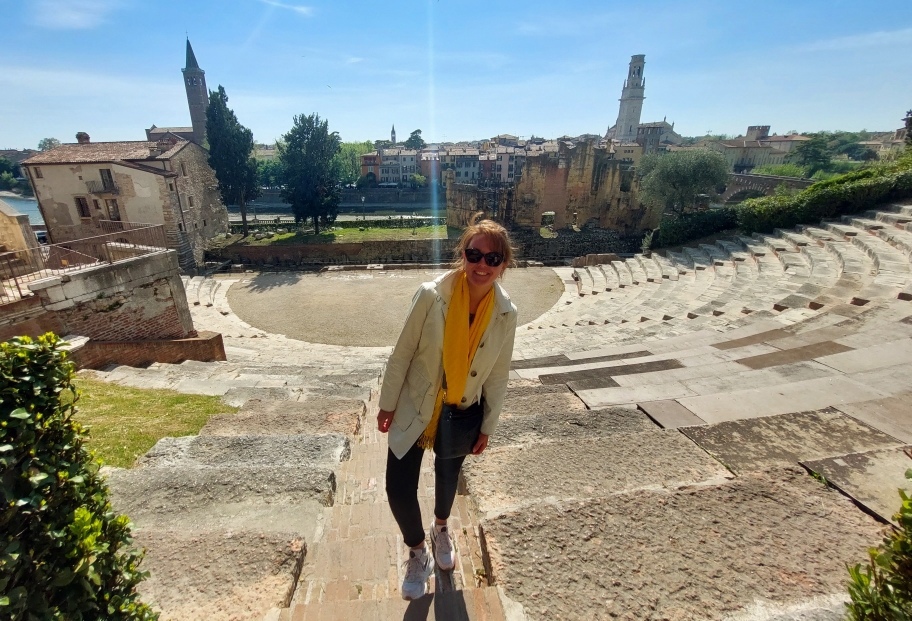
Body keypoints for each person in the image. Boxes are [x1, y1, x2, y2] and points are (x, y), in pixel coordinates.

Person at [377, 214, 518, 601]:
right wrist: (387, 404)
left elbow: (498, 374)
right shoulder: (430, 295)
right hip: (415, 404)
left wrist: (488, 425)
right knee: (397, 489)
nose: (482, 265)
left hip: (463, 410)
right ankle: (417, 550)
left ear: (504, 264)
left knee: (447, 478)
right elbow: (402, 353)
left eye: (493, 259)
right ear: (463, 254)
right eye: (474, 255)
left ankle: (441, 528)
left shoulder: (506, 313)